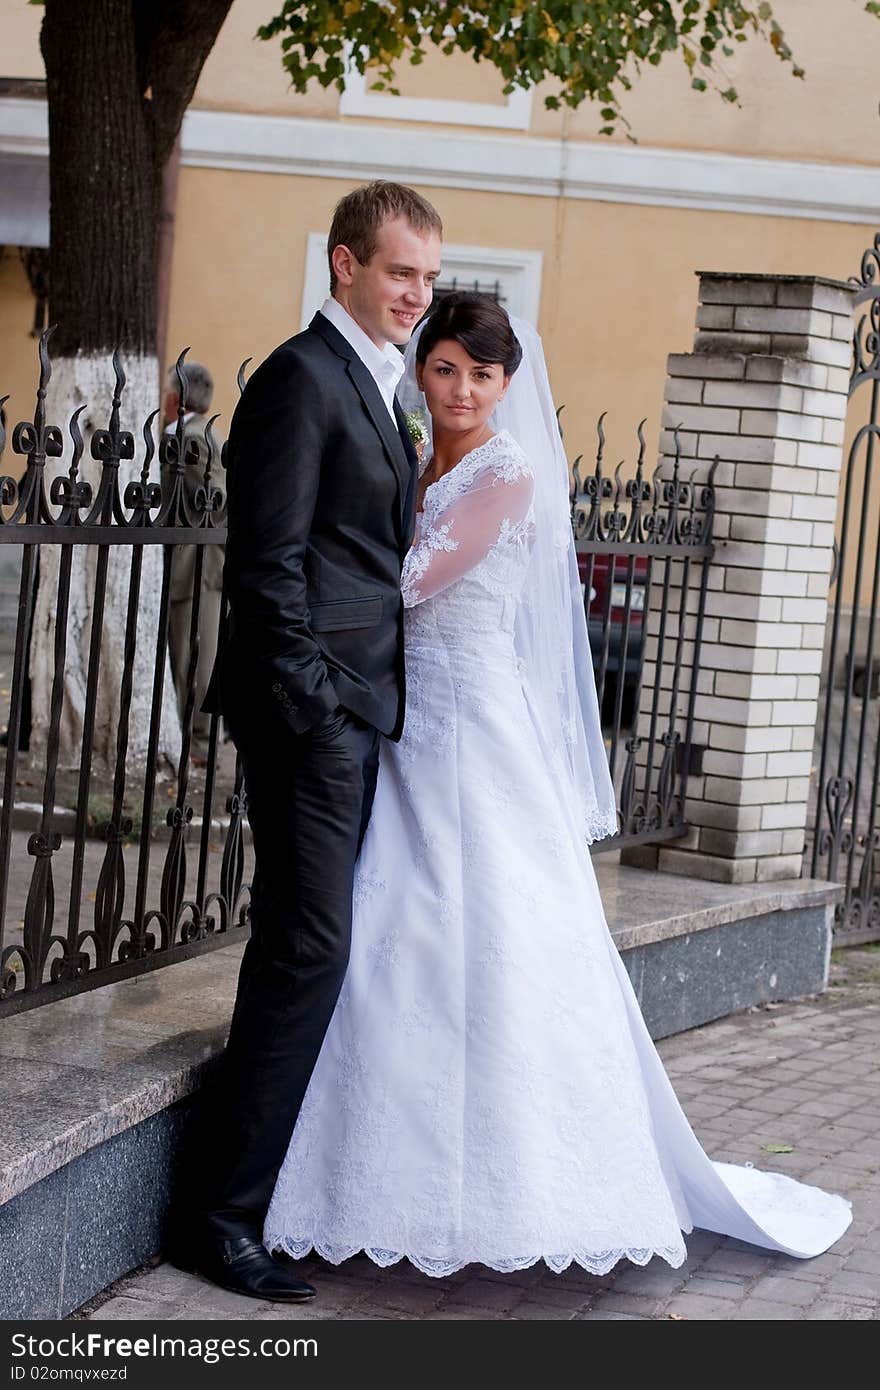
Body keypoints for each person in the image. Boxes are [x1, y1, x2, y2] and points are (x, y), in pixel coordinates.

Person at [263, 293, 851, 1278]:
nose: (457, 390)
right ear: (423, 368)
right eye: (443, 368)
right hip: (410, 726)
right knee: (394, 928)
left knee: (493, 932)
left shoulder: (506, 473)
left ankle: (519, 1187)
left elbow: (409, 581)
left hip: (474, 728)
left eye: (479, 376)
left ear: (506, 384)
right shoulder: (416, 453)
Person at [190, 182, 443, 1301]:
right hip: (315, 713)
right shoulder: (302, 378)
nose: (415, 296)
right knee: (308, 949)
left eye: (428, 280)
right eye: (400, 274)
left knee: (315, 947)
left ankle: (261, 1197)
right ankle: (221, 1218)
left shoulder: (384, 388)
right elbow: (267, 565)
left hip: (357, 707)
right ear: (344, 264)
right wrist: (312, 708)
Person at [161, 361, 225, 761]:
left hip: (196, 566)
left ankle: (199, 742)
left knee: (191, 655)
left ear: (173, 400)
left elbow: (215, 497)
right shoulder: (202, 432)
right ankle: (198, 738)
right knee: (196, 653)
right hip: (200, 564)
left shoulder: (192, 438)